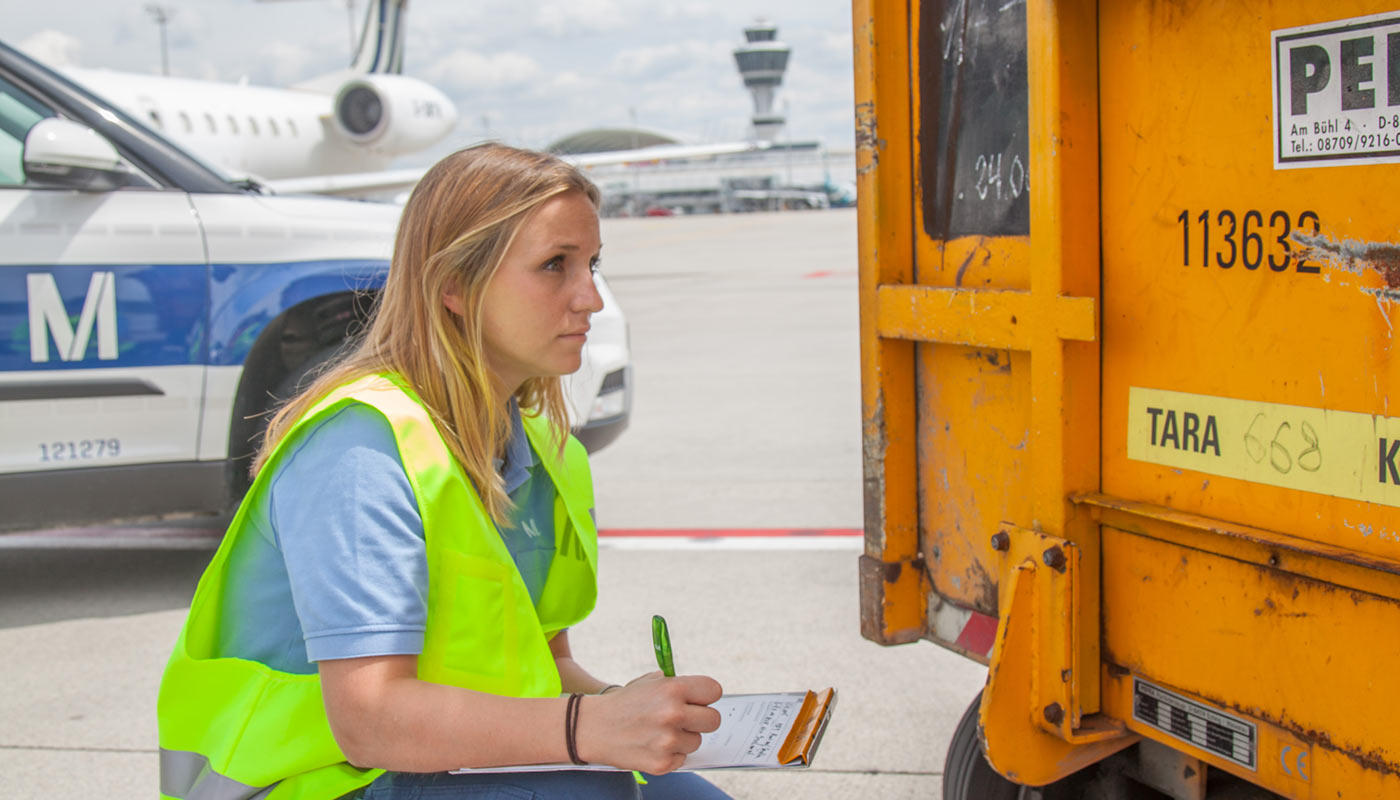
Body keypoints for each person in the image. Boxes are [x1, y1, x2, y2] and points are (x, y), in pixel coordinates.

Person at [157, 143, 733, 800]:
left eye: (592, 264)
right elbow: (371, 719)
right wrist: (592, 726)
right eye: (555, 266)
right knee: (588, 793)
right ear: (454, 286)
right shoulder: (361, 450)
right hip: (317, 781)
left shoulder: (542, 446)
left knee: (685, 795)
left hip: (435, 761)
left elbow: (549, 666)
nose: (591, 298)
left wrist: (643, 716)